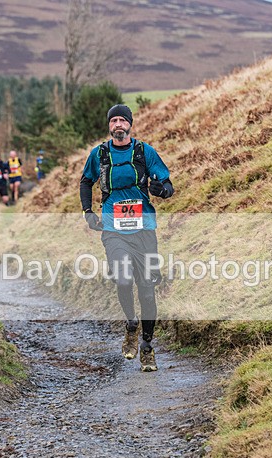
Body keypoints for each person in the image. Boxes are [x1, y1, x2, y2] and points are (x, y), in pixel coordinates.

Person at [79, 104, 174, 372]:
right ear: (109, 126)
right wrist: (88, 212)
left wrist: (161, 190)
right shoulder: (99, 154)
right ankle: (131, 323)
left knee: (146, 290)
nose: (118, 124)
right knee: (122, 277)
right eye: (114, 120)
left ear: (130, 124)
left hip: (144, 229)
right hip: (113, 229)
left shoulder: (144, 152)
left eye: (123, 120)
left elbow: (167, 184)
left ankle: (146, 346)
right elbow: (86, 182)